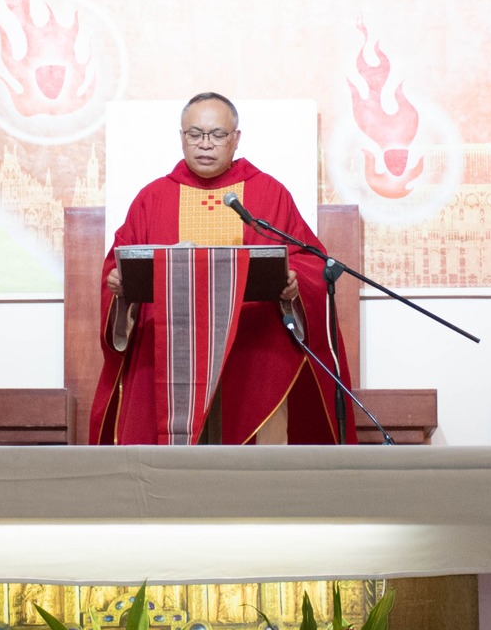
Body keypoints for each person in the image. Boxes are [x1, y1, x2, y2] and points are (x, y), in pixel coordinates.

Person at [92, 92, 352, 445]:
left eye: (217, 135)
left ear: (236, 139)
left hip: (251, 349)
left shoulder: (266, 194)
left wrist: (294, 285)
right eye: (195, 134)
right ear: (181, 137)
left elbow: (309, 263)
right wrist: (119, 287)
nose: (205, 144)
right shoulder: (152, 199)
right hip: (171, 353)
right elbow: (120, 264)